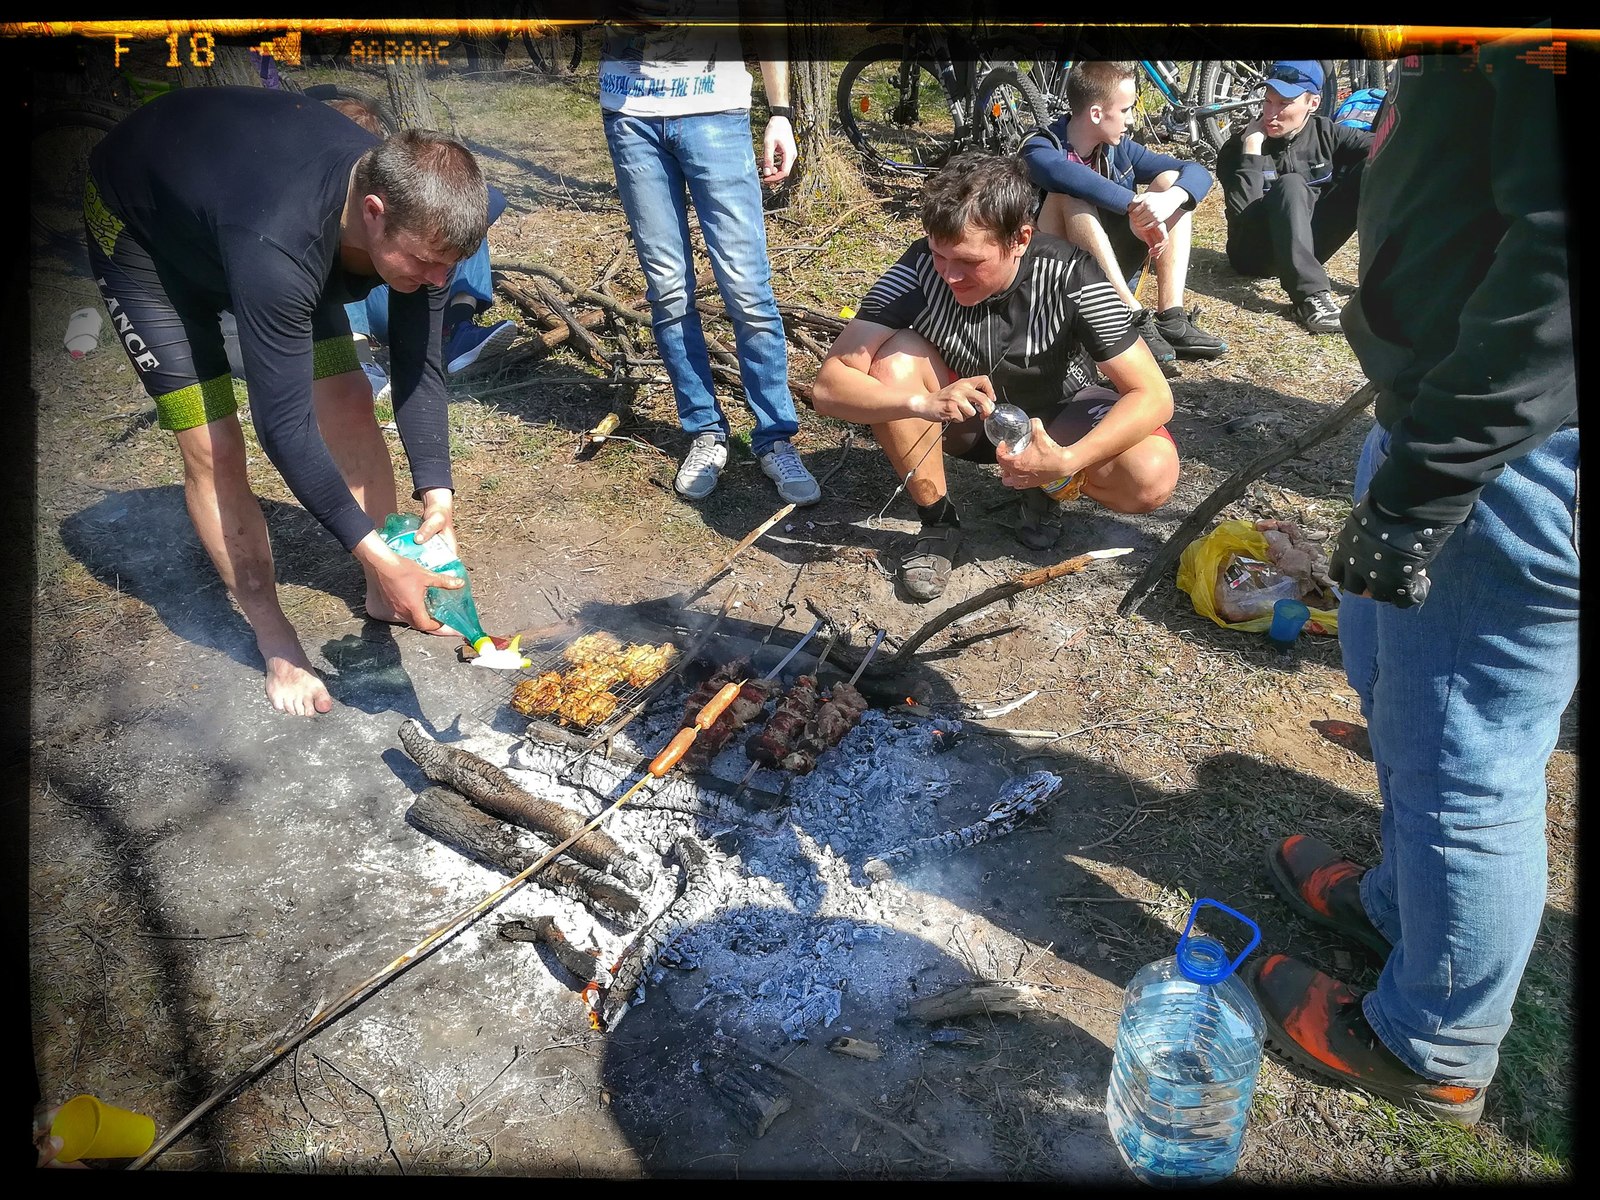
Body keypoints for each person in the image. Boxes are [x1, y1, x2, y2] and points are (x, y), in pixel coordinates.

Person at [1252, 33, 1576, 1126]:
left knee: (1464, 758)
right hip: (1449, 417)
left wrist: (1426, 484)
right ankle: (1402, 906)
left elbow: (1559, 269)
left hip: (1513, 448)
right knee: (1398, 698)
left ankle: (1431, 1044)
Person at [85, 85, 487, 716]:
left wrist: (438, 490)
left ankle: (389, 591)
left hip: (245, 213)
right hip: (148, 241)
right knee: (216, 445)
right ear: (375, 211)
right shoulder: (283, 240)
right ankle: (277, 643)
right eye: (427, 263)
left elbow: (419, 368)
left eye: (449, 266)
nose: (438, 280)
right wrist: (377, 551)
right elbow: (284, 428)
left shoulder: (416, 222)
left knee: (351, 397)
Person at [812, 152, 1177, 602]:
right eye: (939, 254)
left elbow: (1154, 395)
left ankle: (1048, 488)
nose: (949, 275)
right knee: (895, 362)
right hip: (962, 417)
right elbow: (829, 385)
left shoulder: (1071, 273)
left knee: (1151, 474)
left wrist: (1068, 460)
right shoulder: (920, 269)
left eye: (968, 261)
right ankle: (938, 523)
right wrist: (920, 404)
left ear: (1021, 238)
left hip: (1057, 419)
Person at [597, 10, 821, 506]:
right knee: (668, 285)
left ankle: (774, 436)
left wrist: (779, 111)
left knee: (746, 284)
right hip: (629, 114)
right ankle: (704, 430)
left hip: (716, 111)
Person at [1019, 60, 1228, 374]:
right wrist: (1135, 205)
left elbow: (1195, 171)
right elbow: (1064, 175)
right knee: (1070, 195)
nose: (1132, 120)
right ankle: (1128, 316)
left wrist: (1170, 199)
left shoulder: (1121, 149)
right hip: (1052, 274)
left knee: (1172, 182)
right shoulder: (1039, 147)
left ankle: (1171, 318)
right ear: (1096, 114)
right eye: (1127, 109)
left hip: (1106, 264)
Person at [323, 97, 517, 401]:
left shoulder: (400, 187)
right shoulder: (325, 211)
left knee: (463, 227)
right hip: (372, 309)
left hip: (413, 302)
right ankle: (359, 361)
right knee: (339, 254)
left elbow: (493, 200)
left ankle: (458, 331)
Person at [1215, 60, 1372, 335]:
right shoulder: (1238, 147)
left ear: (1312, 104)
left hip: (1308, 246)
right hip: (1254, 253)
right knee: (1291, 184)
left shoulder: (1326, 132)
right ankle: (1310, 300)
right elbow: (1241, 218)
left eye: (1284, 103)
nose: (1271, 113)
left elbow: (1384, 148)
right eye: (1268, 101)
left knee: (1373, 168)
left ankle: (1383, 278)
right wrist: (1251, 151)